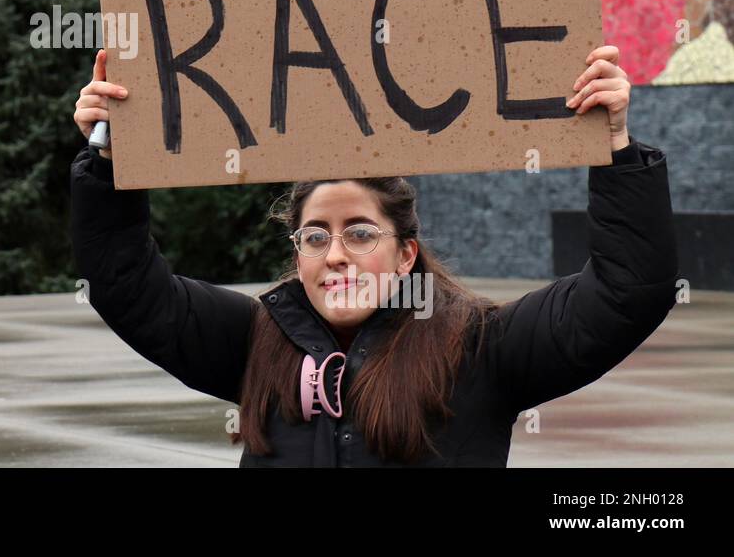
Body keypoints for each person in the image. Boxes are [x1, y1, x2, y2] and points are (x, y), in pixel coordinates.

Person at [70, 45, 677, 466]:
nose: (336, 255)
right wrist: (108, 158)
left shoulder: (482, 348)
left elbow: (628, 292)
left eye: (360, 233)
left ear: (406, 252)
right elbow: (126, 285)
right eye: (315, 236)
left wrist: (617, 147)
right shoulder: (253, 341)